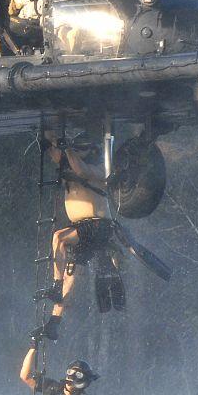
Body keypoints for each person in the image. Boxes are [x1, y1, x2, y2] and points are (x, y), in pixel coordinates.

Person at [36, 130, 122, 338]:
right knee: (71, 273)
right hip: (84, 229)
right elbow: (58, 156)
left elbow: (82, 171)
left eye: (80, 149)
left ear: (92, 150)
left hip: (97, 226)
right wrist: (50, 140)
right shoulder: (70, 163)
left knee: (59, 238)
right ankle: (55, 321)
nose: (76, 152)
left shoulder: (101, 169)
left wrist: (66, 148)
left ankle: (56, 286)